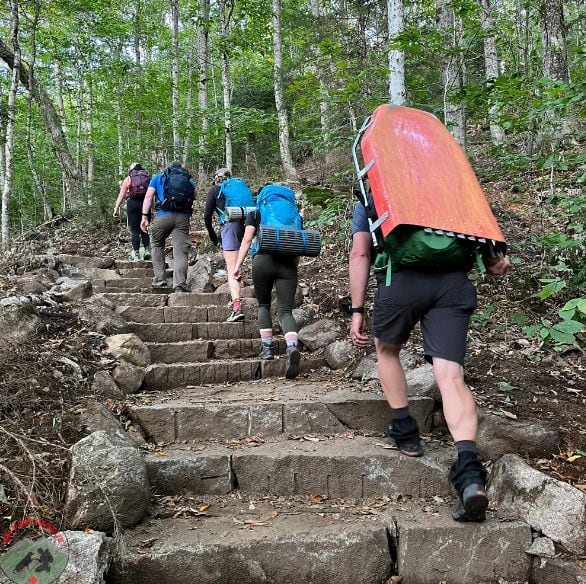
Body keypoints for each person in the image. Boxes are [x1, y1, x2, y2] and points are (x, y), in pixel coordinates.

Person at [349, 201, 510, 522]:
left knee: (386, 351)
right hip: (452, 283)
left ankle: (406, 430)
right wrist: (493, 257)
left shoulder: (379, 188)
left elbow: (361, 253)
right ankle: (470, 474)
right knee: (451, 376)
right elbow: (488, 244)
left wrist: (356, 310)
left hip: (401, 282)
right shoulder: (446, 183)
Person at [232, 196, 302, 379]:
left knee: (263, 305)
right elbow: (299, 243)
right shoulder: (295, 215)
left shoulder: (256, 212)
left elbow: (247, 239)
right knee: (286, 311)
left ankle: (267, 349)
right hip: (288, 263)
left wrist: (237, 265)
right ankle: (292, 347)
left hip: (262, 261)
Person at [140, 162, 196, 293]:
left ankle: (160, 280)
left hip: (162, 216)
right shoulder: (188, 180)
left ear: (168, 168)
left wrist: (144, 217)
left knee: (157, 243)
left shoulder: (158, 178)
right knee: (180, 251)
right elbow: (194, 196)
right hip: (182, 218)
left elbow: (148, 197)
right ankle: (179, 285)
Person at [204, 168, 248, 322]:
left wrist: (213, 236)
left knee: (232, 268)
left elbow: (207, 216)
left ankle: (236, 308)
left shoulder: (215, 190)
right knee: (240, 264)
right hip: (248, 226)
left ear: (216, 178)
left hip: (230, 227)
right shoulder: (241, 187)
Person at [113, 162, 151, 261]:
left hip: (132, 204)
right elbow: (151, 195)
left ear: (131, 170)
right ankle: (147, 250)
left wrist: (116, 208)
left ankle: (137, 254)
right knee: (145, 228)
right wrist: (153, 208)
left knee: (135, 230)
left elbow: (121, 195)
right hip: (145, 203)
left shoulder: (129, 178)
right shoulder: (147, 178)